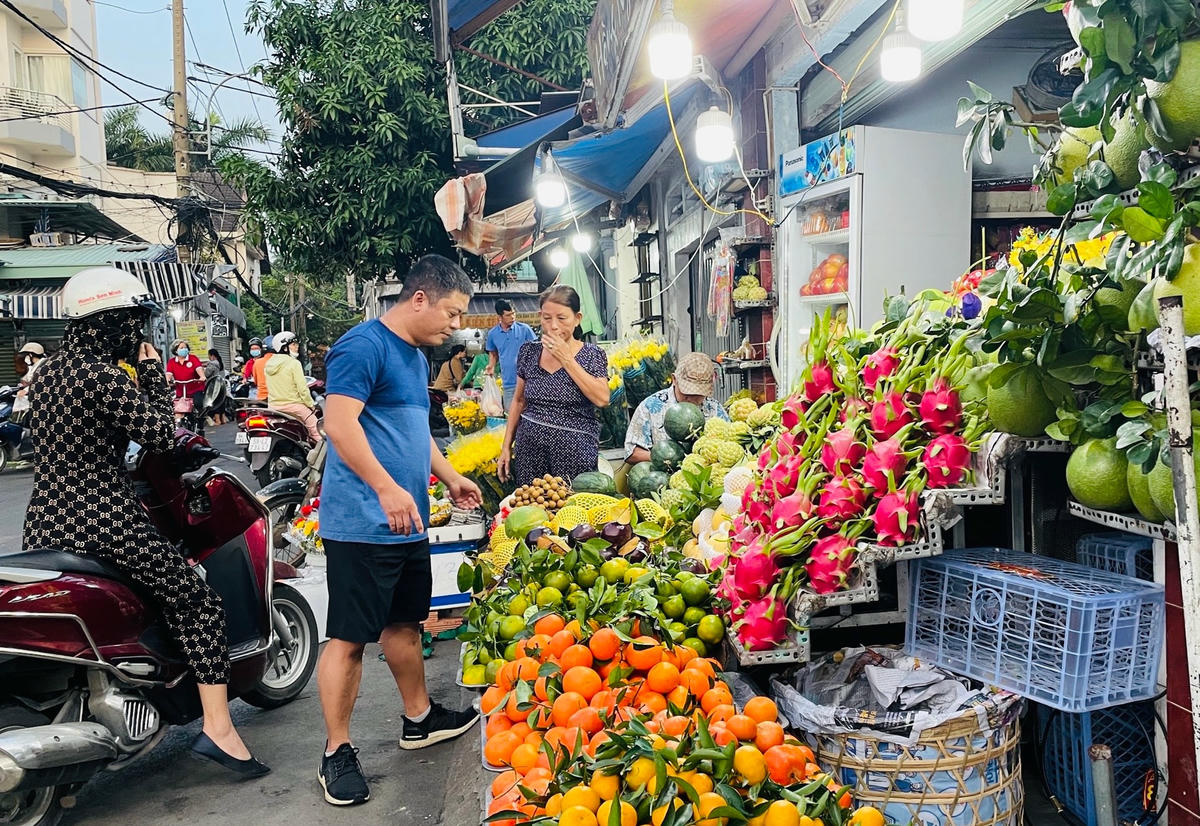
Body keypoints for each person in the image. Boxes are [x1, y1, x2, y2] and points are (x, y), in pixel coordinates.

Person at [23, 266, 268, 777]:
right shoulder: (107, 378)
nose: (137, 334)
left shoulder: (46, 374)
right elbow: (161, 436)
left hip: (45, 520)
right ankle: (220, 730)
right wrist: (153, 374)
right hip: (102, 515)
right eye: (131, 324)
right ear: (109, 323)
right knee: (197, 600)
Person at [316, 254, 483, 807]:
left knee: (405, 624)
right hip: (362, 524)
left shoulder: (412, 357)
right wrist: (386, 487)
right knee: (349, 640)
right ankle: (336, 751)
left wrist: (450, 475)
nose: (455, 326)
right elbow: (339, 425)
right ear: (419, 299)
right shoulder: (362, 347)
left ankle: (419, 718)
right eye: (452, 314)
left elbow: (414, 432)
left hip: (404, 522)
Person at [498, 286, 610, 486]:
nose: (554, 326)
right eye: (547, 318)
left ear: (577, 318)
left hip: (575, 452)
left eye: (562, 318)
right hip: (530, 450)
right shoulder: (528, 352)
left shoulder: (592, 355)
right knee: (533, 510)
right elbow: (519, 400)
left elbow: (602, 398)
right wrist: (506, 446)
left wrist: (566, 359)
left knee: (573, 510)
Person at [624, 351, 729, 464]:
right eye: (687, 394)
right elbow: (632, 453)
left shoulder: (715, 409)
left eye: (698, 395)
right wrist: (668, 458)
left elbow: (730, 445)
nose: (692, 400)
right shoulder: (650, 407)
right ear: (674, 380)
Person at [264, 331, 321, 443]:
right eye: (293, 345)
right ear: (284, 348)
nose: (297, 347)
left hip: (273, 407)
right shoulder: (293, 363)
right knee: (318, 431)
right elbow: (302, 389)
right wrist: (311, 406)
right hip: (294, 406)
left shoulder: (268, 364)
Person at [484, 298, 535, 411]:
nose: (512, 317)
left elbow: (536, 351)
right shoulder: (493, 334)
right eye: (508, 315)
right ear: (500, 317)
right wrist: (491, 366)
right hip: (509, 383)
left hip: (528, 382)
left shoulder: (525, 329)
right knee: (510, 416)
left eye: (513, 314)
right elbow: (493, 353)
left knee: (529, 415)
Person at [165, 338, 205, 423]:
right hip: (181, 390)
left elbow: (199, 369)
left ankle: (200, 423)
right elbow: (168, 374)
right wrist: (167, 381)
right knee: (176, 408)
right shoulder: (172, 362)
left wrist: (202, 377)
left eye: (185, 347)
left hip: (195, 389)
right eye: (181, 348)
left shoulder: (193, 359)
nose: (184, 349)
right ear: (175, 350)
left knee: (198, 404)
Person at [11, 341, 46, 423]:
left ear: (30, 355)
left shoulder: (43, 365)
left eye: (25, 355)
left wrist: (26, 390)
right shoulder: (35, 365)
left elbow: (39, 382)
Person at [205, 349, 227, 426]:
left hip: (214, 385)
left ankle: (217, 420)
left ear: (212, 355)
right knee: (221, 402)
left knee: (215, 403)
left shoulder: (212, 364)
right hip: (222, 384)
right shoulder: (221, 363)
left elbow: (207, 374)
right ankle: (223, 418)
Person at [252, 337, 273, 402]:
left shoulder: (257, 362)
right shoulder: (282, 362)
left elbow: (256, 381)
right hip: (277, 399)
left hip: (261, 398)